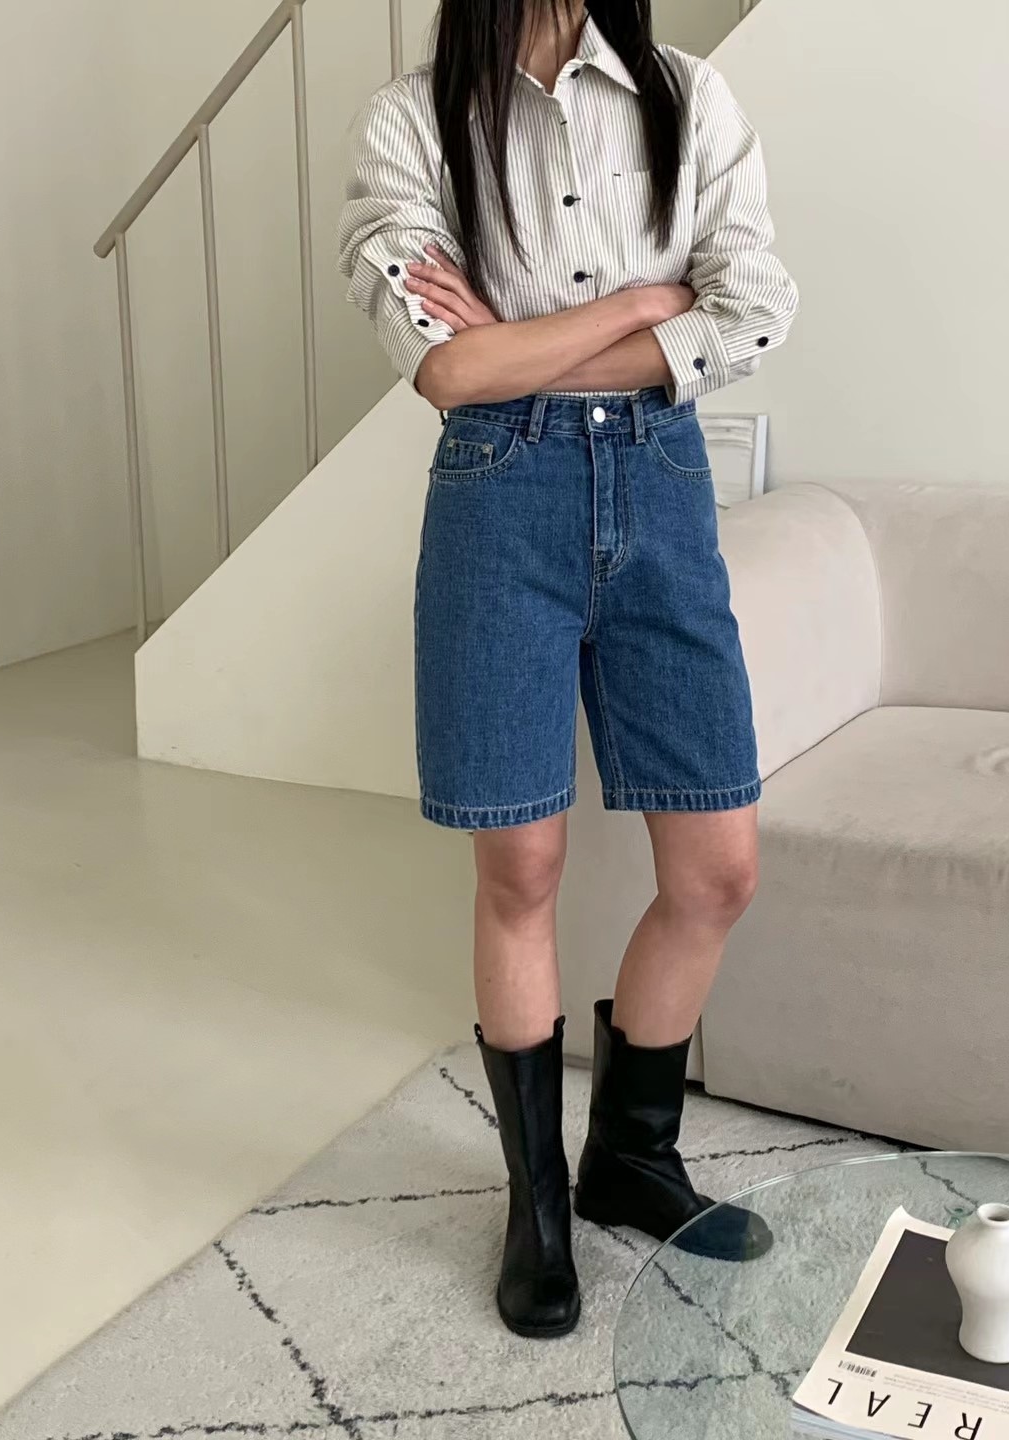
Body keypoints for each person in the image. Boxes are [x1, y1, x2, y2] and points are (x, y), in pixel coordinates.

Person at [339, 0, 798, 1340]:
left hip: (661, 488)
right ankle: (538, 1210)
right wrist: (650, 302)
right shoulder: (413, 122)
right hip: (500, 502)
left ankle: (630, 1159)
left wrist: (523, 347)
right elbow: (444, 371)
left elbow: (758, 307)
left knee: (718, 869)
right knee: (521, 868)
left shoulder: (689, 98)